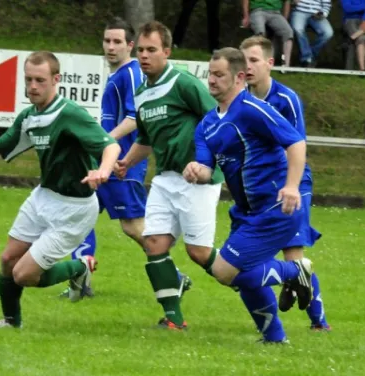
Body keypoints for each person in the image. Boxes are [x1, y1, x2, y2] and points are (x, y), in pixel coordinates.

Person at [0, 51, 121, 328]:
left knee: (23, 275)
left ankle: (80, 268)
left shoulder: (70, 113)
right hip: (43, 197)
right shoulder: (30, 116)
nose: (33, 86)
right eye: (29, 80)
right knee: (8, 260)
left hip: (74, 208)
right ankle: (11, 322)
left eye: (40, 80)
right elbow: (4, 143)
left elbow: (111, 145)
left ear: (56, 80)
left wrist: (103, 170)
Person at [182, 47, 314, 343]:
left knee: (225, 271)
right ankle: (274, 338)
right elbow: (207, 168)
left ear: (239, 77)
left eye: (219, 75)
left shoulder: (252, 109)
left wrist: (292, 186)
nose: (212, 81)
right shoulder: (207, 124)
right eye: (210, 74)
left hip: (274, 207)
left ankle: (294, 272)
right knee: (245, 276)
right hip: (247, 212)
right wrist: (195, 171)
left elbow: (296, 143)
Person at [61, 17, 192, 298]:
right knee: (76, 211)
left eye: (117, 41)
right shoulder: (118, 75)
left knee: (133, 226)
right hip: (107, 162)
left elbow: (135, 118)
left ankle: (174, 277)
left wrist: (107, 142)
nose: (111, 47)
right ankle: (80, 279)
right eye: (107, 41)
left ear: (130, 46)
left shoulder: (130, 73)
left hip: (123, 164)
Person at [115, 20, 223, 330]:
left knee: (199, 253)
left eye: (151, 50)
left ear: (167, 51)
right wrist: (126, 161)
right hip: (164, 178)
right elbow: (146, 138)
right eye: (140, 50)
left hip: (197, 178)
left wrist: (207, 162)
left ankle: (259, 279)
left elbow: (217, 119)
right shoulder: (142, 92)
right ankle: (174, 319)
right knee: (154, 244)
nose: (144, 55)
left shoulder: (183, 83)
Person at [239, 35, 330, 331]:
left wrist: (293, 186)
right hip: (260, 187)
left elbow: (297, 144)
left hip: (293, 182)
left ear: (270, 63)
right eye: (244, 61)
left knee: (293, 254)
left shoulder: (286, 99)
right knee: (251, 258)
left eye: (254, 60)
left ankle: (319, 321)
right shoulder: (240, 100)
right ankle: (288, 284)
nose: (248, 67)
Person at [242, 0, 293, 67]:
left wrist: (285, 19)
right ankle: (258, 62)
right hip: (258, 10)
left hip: (276, 12)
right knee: (260, 33)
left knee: (288, 32)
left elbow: (287, 2)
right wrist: (246, 16)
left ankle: (285, 66)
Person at [289, 0, 334, 67]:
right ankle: (307, 58)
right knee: (298, 29)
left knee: (328, 33)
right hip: (299, 11)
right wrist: (293, 3)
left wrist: (323, 13)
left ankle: (309, 56)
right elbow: (289, 3)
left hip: (316, 13)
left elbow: (327, 5)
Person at [340, 0, 365, 72]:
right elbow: (348, 9)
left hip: (363, 20)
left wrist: (364, 19)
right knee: (361, 38)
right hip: (350, 20)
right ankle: (362, 69)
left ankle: (351, 38)